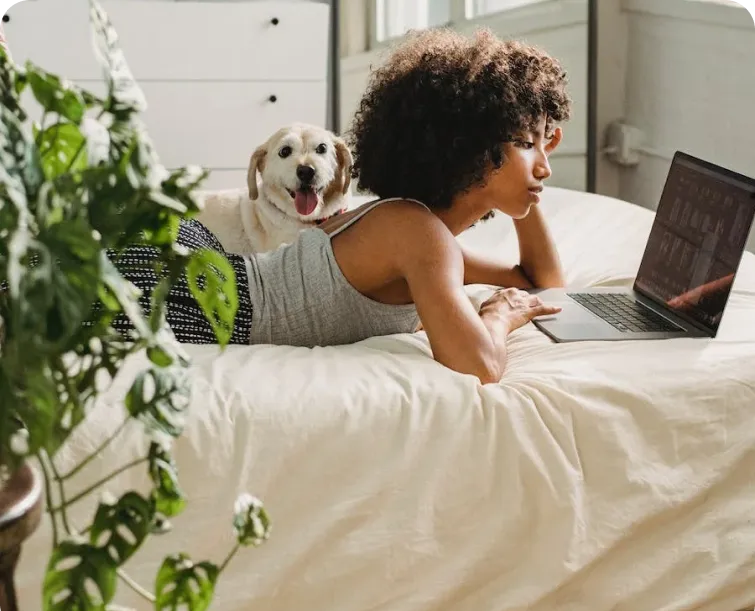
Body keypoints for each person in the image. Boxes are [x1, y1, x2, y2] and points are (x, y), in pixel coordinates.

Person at [5, 27, 574, 384]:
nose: (543, 164)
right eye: (525, 144)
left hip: (212, 270)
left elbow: (540, 280)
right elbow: (480, 364)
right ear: (467, 150)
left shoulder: (423, 239)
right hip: (199, 295)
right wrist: (498, 314)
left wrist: (533, 181)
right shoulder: (416, 235)